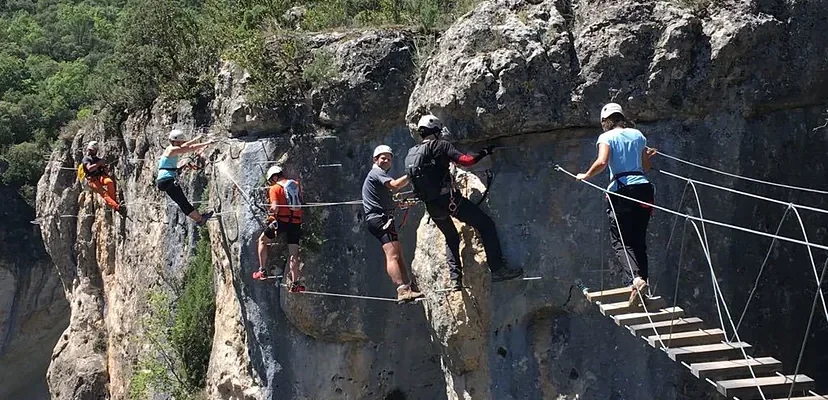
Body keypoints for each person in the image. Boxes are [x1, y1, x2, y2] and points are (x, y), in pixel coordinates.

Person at [406, 115, 524, 291]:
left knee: (451, 237)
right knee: (486, 225)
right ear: (437, 131)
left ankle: (455, 281)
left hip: (431, 205)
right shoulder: (441, 145)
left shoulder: (413, 152)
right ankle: (498, 268)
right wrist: (484, 152)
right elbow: (466, 162)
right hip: (450, 200)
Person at [575, 103, 657, 306]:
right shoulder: (638, 135)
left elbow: (602, 162)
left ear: (606, 121)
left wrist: (585, 176)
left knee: (621, 241)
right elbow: (646, 167)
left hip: (621, 191)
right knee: (639, 241)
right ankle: (643, 288)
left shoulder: (606, 137)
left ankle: (636, 281)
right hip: (644, 189)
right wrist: (644, 155)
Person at [362, 145, 424, 303]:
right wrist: (412, 174)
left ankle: (408, 287)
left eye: (389, 159)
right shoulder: (376, 173)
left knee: (398, 254)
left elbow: (385, 196)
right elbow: (395, 186)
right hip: (380, 219)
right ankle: (402, 290)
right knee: (393, 255)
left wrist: (398, 204)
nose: (386, 161)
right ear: (375, 159)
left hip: (381, 218)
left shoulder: (378, 175)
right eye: (383, 158)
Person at [253, 165, 305, 293]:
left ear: (275, 177)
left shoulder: (274, 188)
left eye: (271, 179)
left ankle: (262, 270)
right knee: (294, 254)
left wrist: (268, 209)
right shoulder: (296, 184)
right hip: (296, 223)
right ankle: (295, 284)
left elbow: (275, 208)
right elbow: (301, 201)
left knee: (262, 241)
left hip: (281, 222)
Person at [156, 129, 214, 225]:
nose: (180, 143)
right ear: (173, 141)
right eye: (178, 142)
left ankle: (199, 218)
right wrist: (207, 143)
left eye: (180, 142)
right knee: (183, 202)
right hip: (168, 180)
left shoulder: (170, 148)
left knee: (182, 202)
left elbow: (184, 146)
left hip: (163, 180)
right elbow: (189, 148)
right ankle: (200, 219)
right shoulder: (172, 150)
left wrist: (196, 139)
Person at [82, 141, 124, 215]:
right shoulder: (86, 159)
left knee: (109, 182)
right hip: (92, 180)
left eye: (92, 150)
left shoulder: (98, 159)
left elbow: (106, 172)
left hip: (100, 177)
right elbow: (90, 169)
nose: (90, 151)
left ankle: (113, 202)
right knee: (104, 193)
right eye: (89, 149)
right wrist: (99, 163)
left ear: (96, 150)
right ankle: (116, 207)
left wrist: (104, 166)